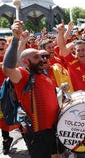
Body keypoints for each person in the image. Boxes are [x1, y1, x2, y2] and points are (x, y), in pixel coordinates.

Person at [2, 20, 64, 158]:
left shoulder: (44, 74)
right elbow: (7, 68)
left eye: (42, 56)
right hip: (37, 133)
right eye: (36, 57)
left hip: (53, 129)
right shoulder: (24, 76)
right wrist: (16, 39)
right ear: (25, 62)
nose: (42, 59)